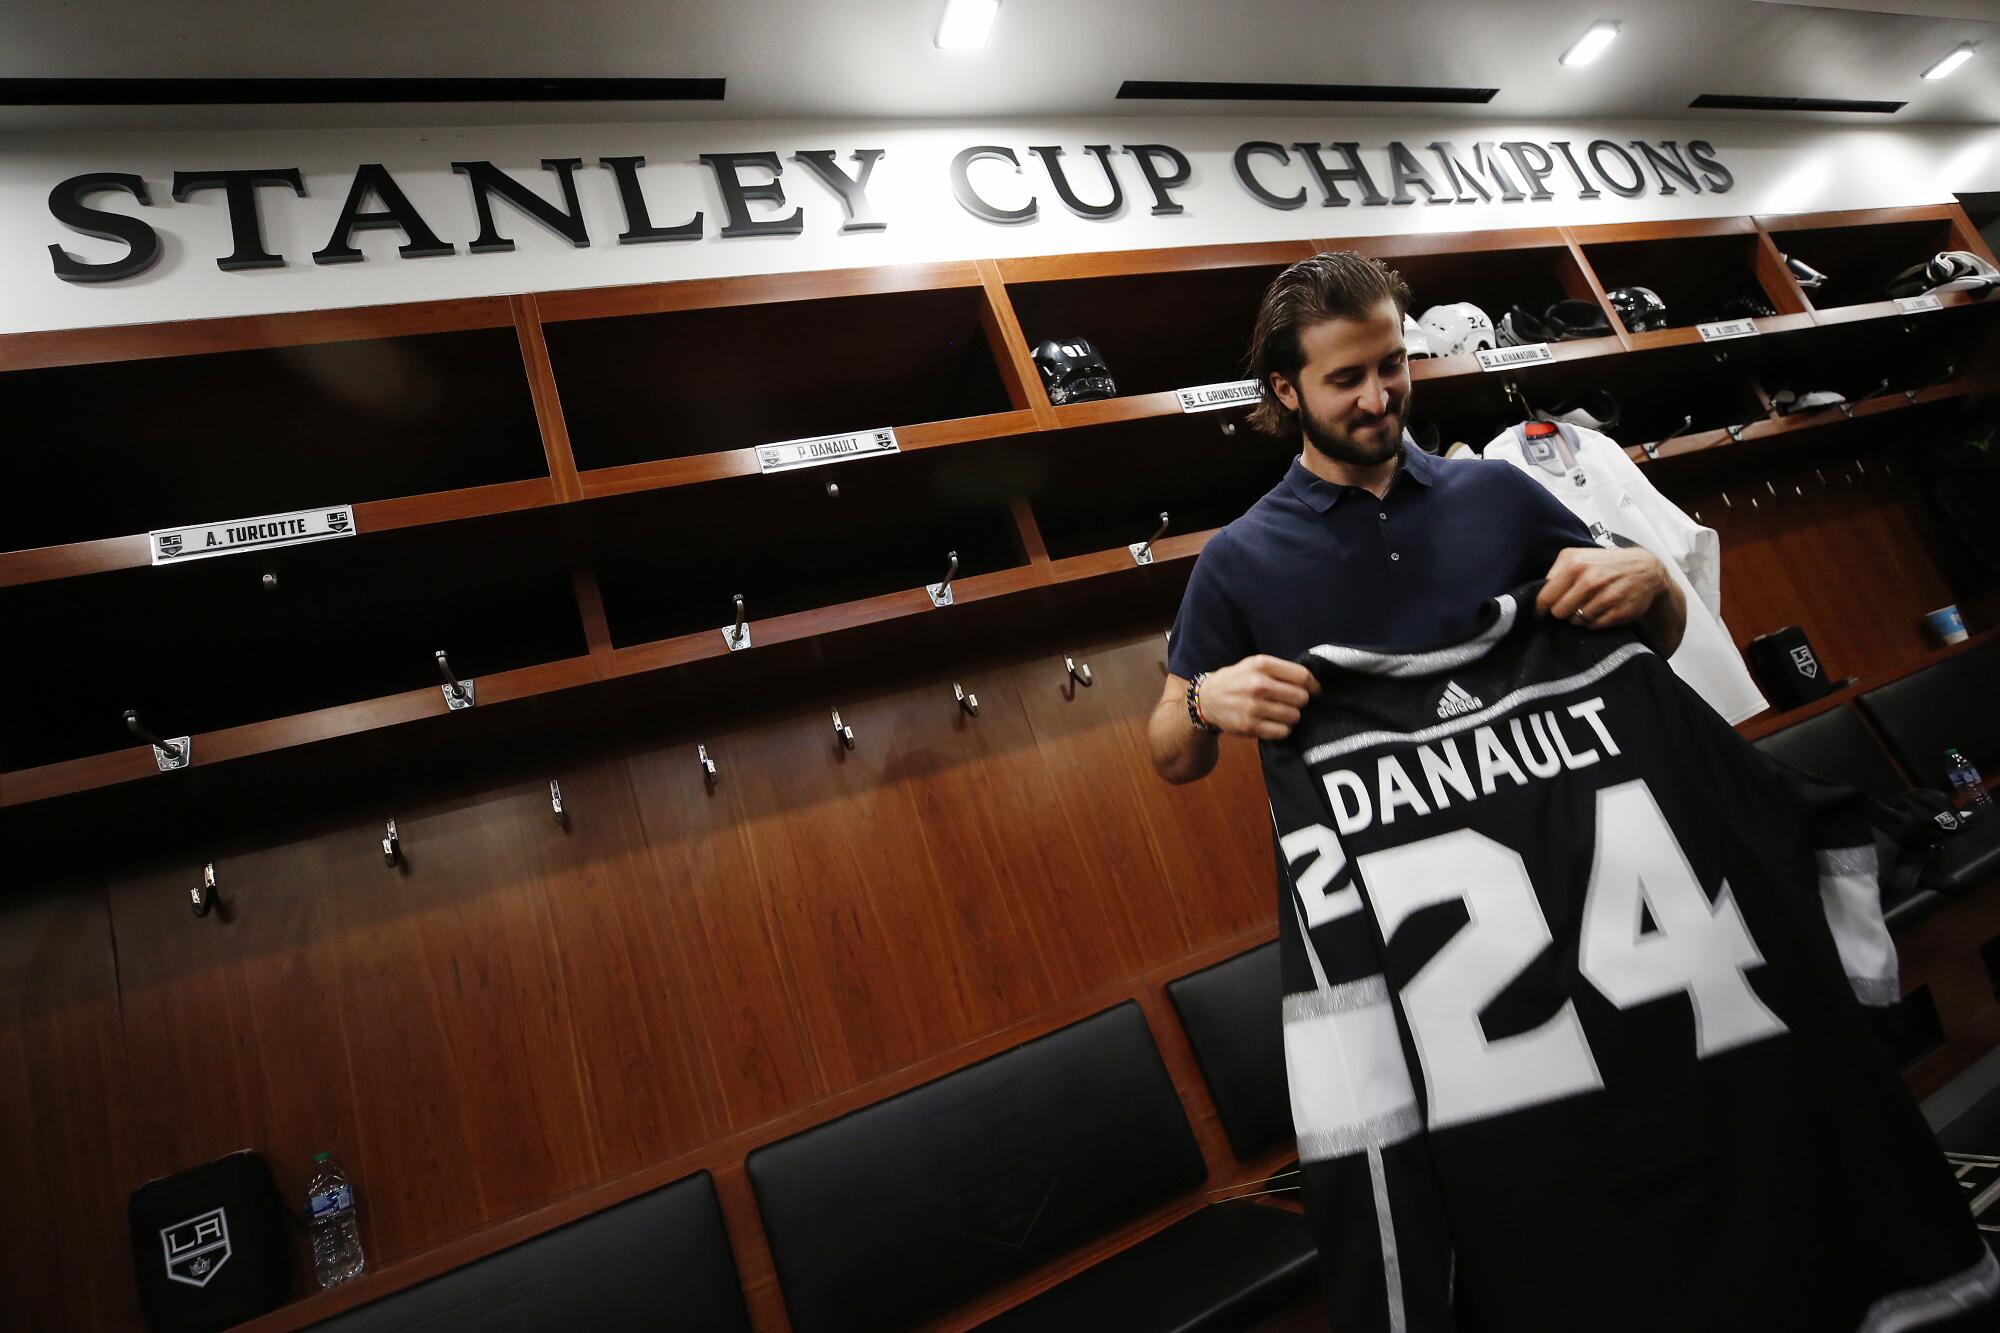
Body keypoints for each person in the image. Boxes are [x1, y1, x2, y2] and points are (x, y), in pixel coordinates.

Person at [1149, 250, 1685, 780]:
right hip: (1387, 854)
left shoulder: (1498, 490)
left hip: (1563, 830)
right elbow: (1172, 759)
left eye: (1392, 364)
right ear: (1286, 389)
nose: (1378, 399)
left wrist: (1656, 581)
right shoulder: (1238, 557)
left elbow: (1655, 641)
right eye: (1346, 380)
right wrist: (1203, 703)